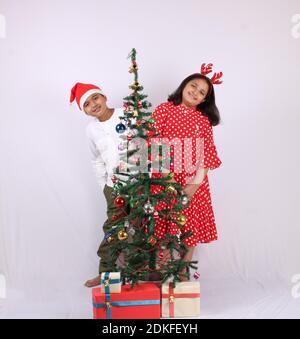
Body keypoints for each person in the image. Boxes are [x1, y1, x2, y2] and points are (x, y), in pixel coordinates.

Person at [151, 64, 223, 281]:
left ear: (204, 100)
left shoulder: (203, 121)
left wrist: (193, 185)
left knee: (189, 230)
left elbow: (208, 155)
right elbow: (152, 142)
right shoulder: (164, 109)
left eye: (202, 93)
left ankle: (182, 272)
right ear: (184, 86)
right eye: (193, 86)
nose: (195, 92)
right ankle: (162, 272)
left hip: (193, 182)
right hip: (164, 179)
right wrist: (166, 179)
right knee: (162, 226)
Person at [70, 82, 125, 287]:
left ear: (104, 96)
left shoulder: (126, 113)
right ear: (84, 111)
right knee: (113, 229)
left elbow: (146, 140)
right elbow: (96, 160)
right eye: (86, 104)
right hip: (114, 186)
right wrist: (104, 186)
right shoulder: (91, 130)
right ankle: (106, 273)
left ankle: (143, 271)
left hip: (139, 183)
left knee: (142, 225)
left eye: (95, 98)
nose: (93, 105)